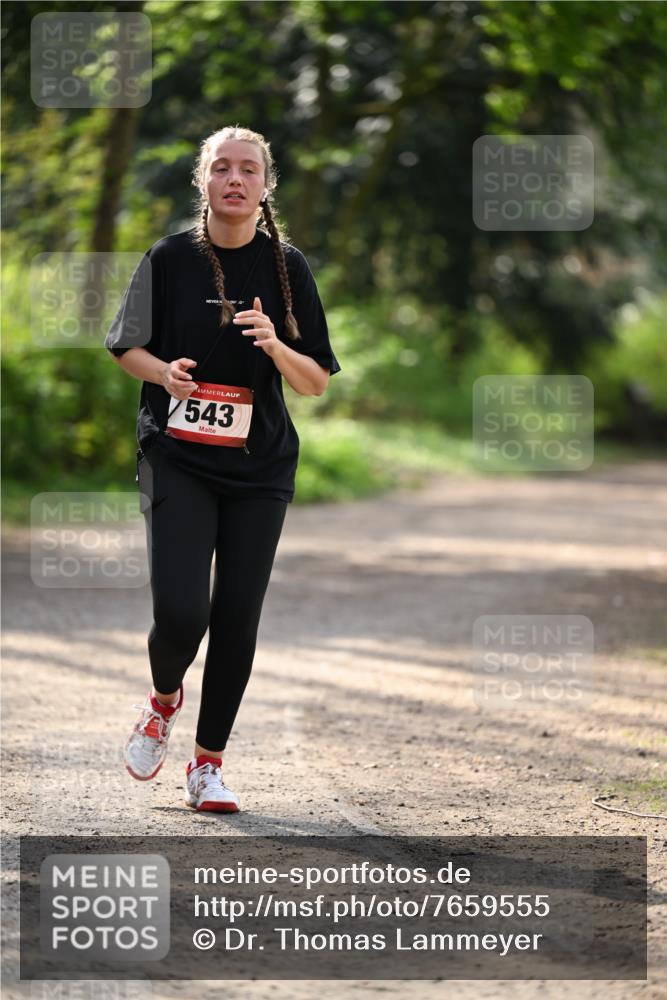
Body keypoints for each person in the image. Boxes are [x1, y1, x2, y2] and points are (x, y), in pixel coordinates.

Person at [104, 125, 341, 813]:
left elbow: (315, 382)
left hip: (258, 466)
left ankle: (207, 766)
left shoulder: (287, 268)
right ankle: (161, 701)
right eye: (221, 168)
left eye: (249, 170)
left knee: (237, 616)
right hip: (176, 455)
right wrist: (165, 375)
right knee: (181, 611)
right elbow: (125, 345)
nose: (235, 180)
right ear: (202, 182)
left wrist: (273, 345)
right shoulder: (169, 258)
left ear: (265, 185)